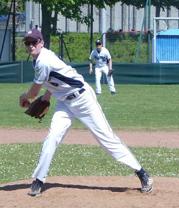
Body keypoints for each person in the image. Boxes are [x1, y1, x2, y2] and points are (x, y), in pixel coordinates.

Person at [19, 29, 152, 197]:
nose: (31, 46)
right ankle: (38, 180)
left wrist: (22, 97)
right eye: (27, 43)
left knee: (106, 138)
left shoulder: (44, 60)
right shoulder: (38, 59)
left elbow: (32, 92)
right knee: (52, 137)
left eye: (34, 42)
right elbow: (53, 82)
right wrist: (46, 98)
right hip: (65, 103)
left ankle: (142, 173)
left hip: (83, 100)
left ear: (42, 42)